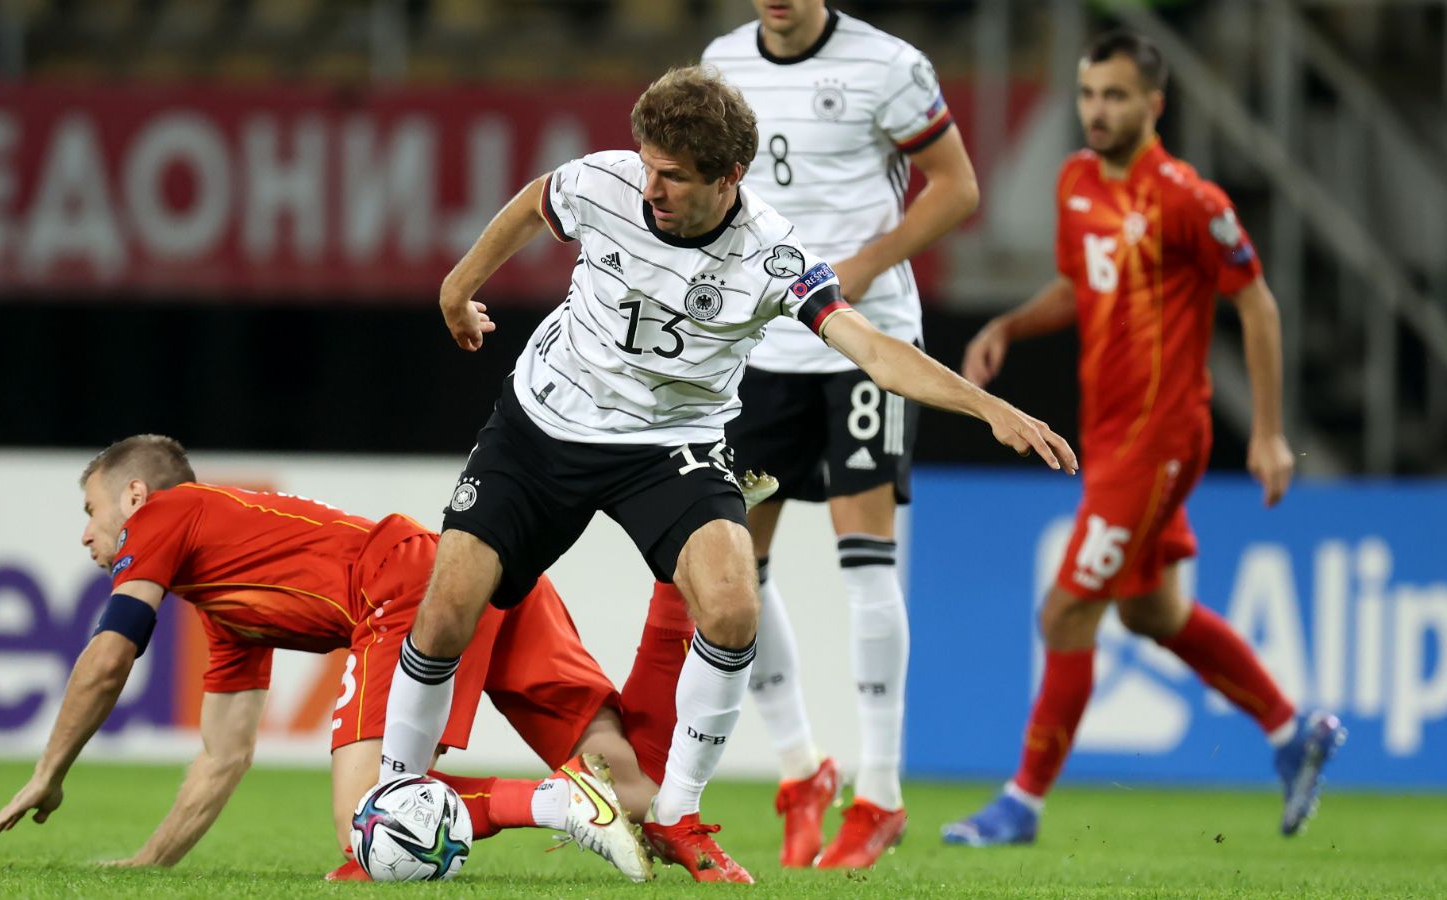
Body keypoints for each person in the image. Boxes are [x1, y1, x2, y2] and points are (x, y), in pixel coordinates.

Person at [377, 64, 1077, 883]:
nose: (651, 189)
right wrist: (459, 287)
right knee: (446, 612)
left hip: (669, 446)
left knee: (735, 603)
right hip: (543, 423)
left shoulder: (772, 257)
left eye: (673, 176)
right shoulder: (607, 182)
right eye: (648, 166)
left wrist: (987, 407)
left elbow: (874, 351)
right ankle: (387, 802)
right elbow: (540, 199)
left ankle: (677, 814)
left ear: (729, 177)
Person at [941, 29, 1343, 847]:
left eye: (1116, 96)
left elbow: (1257, 303)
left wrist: (1269, 434)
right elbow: (1079, 286)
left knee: (1065, 611)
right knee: (1152, 613)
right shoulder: (1076, 181)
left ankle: (1022, 804)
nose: (1097, 111)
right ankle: (1291, 730)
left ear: (1154, 104)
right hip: (1110, 435)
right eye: (1089, 94)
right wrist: (1010, 326)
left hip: (1160, 439)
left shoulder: (1191, 200)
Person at [0, 434, 658, 882]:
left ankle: (559, 801)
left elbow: (109, 657)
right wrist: (148, 864)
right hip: (471, 569)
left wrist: (48, 773)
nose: (85, 534)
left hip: (405, 587)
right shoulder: (226, 604)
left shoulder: (166, 511)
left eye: (90, 509)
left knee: (365, 818)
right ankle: (680, 834)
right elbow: (223, 758)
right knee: (616, 772)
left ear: (133, 497)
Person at [700, 0, 980, 868]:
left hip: (868, 340)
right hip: (760, 348)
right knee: (737, 568)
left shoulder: (888, 64)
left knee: (865, 557)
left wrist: (860, 266)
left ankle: (881, 794)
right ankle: (801, 771)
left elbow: (959, 188)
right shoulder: (722, 62)